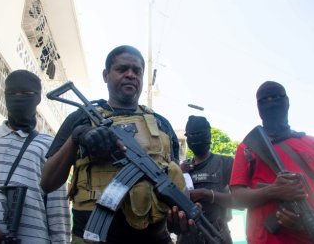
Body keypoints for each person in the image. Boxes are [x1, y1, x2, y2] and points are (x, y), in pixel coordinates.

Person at [40, 45, 186, 244]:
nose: (130, 75)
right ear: (105, 75)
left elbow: (174, 184)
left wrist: (179, 218)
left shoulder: (162, 125)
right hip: (94, 236)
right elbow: (47, 182)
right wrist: (77, 137)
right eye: (122, 69)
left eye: (137, 71)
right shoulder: (81, 118)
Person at [0, 70, 71, 243]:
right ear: (6, 96)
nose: (19, 98)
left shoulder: (51, 144)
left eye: (26, 94)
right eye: (13, 94)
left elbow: (57, 208)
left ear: (37, 98)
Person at [229, 81, 314, 244]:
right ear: (258, 108)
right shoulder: (248, 147)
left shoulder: (310, 143)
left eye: (276, 97)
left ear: (287, 101)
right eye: (263, 100)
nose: (270, 102)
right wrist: (274, 191)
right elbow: (237, 197)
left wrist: (302, 222)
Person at [177, 116, 234, 244]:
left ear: (208, 135)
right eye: (192, 134)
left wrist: (206, 194)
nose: (196, 137)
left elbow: (239, 202)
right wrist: (179, 173)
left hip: (217, 236)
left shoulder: (225, 163)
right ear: (188, 138)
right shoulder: (181, 169)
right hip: (187, 237)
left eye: (200, 134)